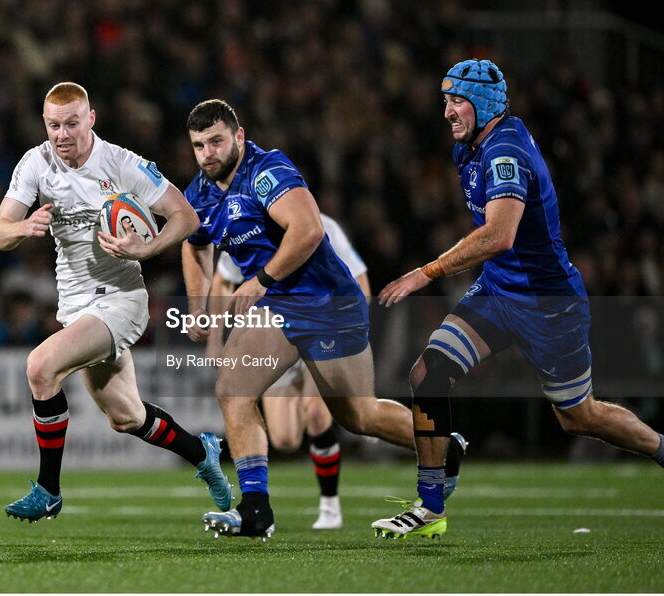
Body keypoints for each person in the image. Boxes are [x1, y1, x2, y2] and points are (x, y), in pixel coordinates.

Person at [372, 59, 664, 540]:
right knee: (428, 372)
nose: (446, 111)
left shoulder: (504, 151)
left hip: (548, 305)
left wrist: (428, 272)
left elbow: (500, 235)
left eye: (456, 100)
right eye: (444, 100)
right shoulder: (475, 144)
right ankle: (431, 505)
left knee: (579, 416)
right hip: (498, 290)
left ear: (483, 104)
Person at [181, 99, 465, 540]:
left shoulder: (266, 170)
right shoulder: (199, 191)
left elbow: (309, 230)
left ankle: (443, 445)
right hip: (279, 306)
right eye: (199, 145)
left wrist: (260, 280)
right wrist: (199, 304)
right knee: (232, 389)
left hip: (327, 303)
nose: (207, 153)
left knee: (359, 416)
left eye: (216, 141)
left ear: (239, 136)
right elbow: (193, 242)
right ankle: (256, 510)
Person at [0, 82, 231, 524]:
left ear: (91, 119)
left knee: (41, 367)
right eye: (53, 125)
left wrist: (147, 247)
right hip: (76, 307)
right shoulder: (35, 163)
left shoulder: (121, 163)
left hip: (121, 299)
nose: (62, 135)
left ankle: (48, 490)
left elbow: (186, 216)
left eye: (72, 124)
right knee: (127, 417)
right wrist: (21, 228)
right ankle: (202, 450)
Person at [206, 214, 374, 530]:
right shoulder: (245, 225)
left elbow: (360, 278)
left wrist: (353, 326)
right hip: (276, 334)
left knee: (315, 413)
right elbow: (221, 279)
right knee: (283, 439)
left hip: (322, 325)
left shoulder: (321, 226)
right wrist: (214, 337)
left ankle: (329, 505)